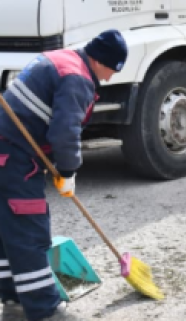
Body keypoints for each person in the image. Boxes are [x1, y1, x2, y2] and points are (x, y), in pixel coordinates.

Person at [0, 30, 127, 321]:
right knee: (29, 232)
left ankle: (15, 304)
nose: (108, 79)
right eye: (111, 70)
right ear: (100, 61)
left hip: (5, 153)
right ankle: (45, 312)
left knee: (8, 233)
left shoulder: (59, 59)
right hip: (14, 157)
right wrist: (68, 170)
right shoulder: (78, 78)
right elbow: (64, 133)